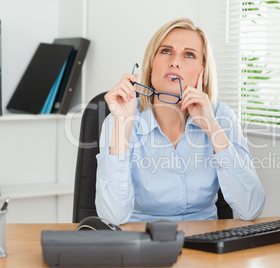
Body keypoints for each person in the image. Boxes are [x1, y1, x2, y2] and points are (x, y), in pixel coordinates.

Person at [95, 17, 265, 225]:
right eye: (166, 51)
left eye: (189, 55)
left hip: (206, 244)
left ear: (203, 73)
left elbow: (251, 208)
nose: (175, 62)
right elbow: (112, 217)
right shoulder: (120, 120)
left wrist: (212, 128)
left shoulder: (221, 117)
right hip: (140, 241)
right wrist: (123, 125)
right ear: (150, 67)